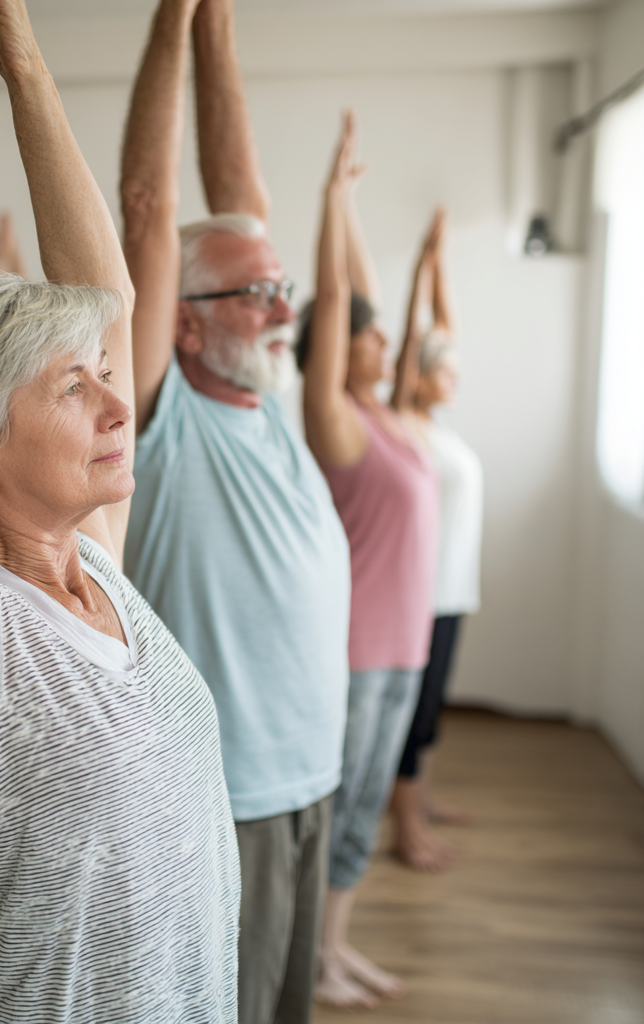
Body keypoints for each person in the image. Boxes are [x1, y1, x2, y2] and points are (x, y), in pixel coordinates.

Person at [0, 0, 239, 1020]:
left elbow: (104, 290)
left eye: (103, 378)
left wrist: (19, 54)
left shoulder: (95, 555)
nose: (120, 404)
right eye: (74, 389)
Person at [121, 2, 351, 1021]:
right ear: (181, 322)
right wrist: (173, 21)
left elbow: (239, 197)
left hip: (312, 777)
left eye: (279, 288)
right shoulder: (164, 416)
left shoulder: (268, 400)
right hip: (235, 796)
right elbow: (143, 205)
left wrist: (218, 30)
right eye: (256, 295)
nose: (281, 308)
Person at [297, 112, 438, 1011]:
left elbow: (368, 298)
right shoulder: (336, 422)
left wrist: (352, 205)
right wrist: (328, 201)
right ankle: (310, 957)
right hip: (355, 652)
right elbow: (342, 302)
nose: (384, 349)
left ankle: (334, 949)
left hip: (405, 650)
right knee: (340, 815)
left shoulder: (386, 415)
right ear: (334, 348)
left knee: (364, 813)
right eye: (366, 338)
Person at [389, 208, 483, 871]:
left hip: (453, 592)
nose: (455, 374)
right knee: (415, 715)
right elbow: (416, 345)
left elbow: (443, 335)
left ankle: (422, 802)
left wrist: (437, 266)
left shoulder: (440, 426)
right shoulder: (405, 423)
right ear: (417, 375)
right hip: (422, 596)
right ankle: (406, 829)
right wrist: (416, 281)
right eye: (441, 368)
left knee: (433, 707)